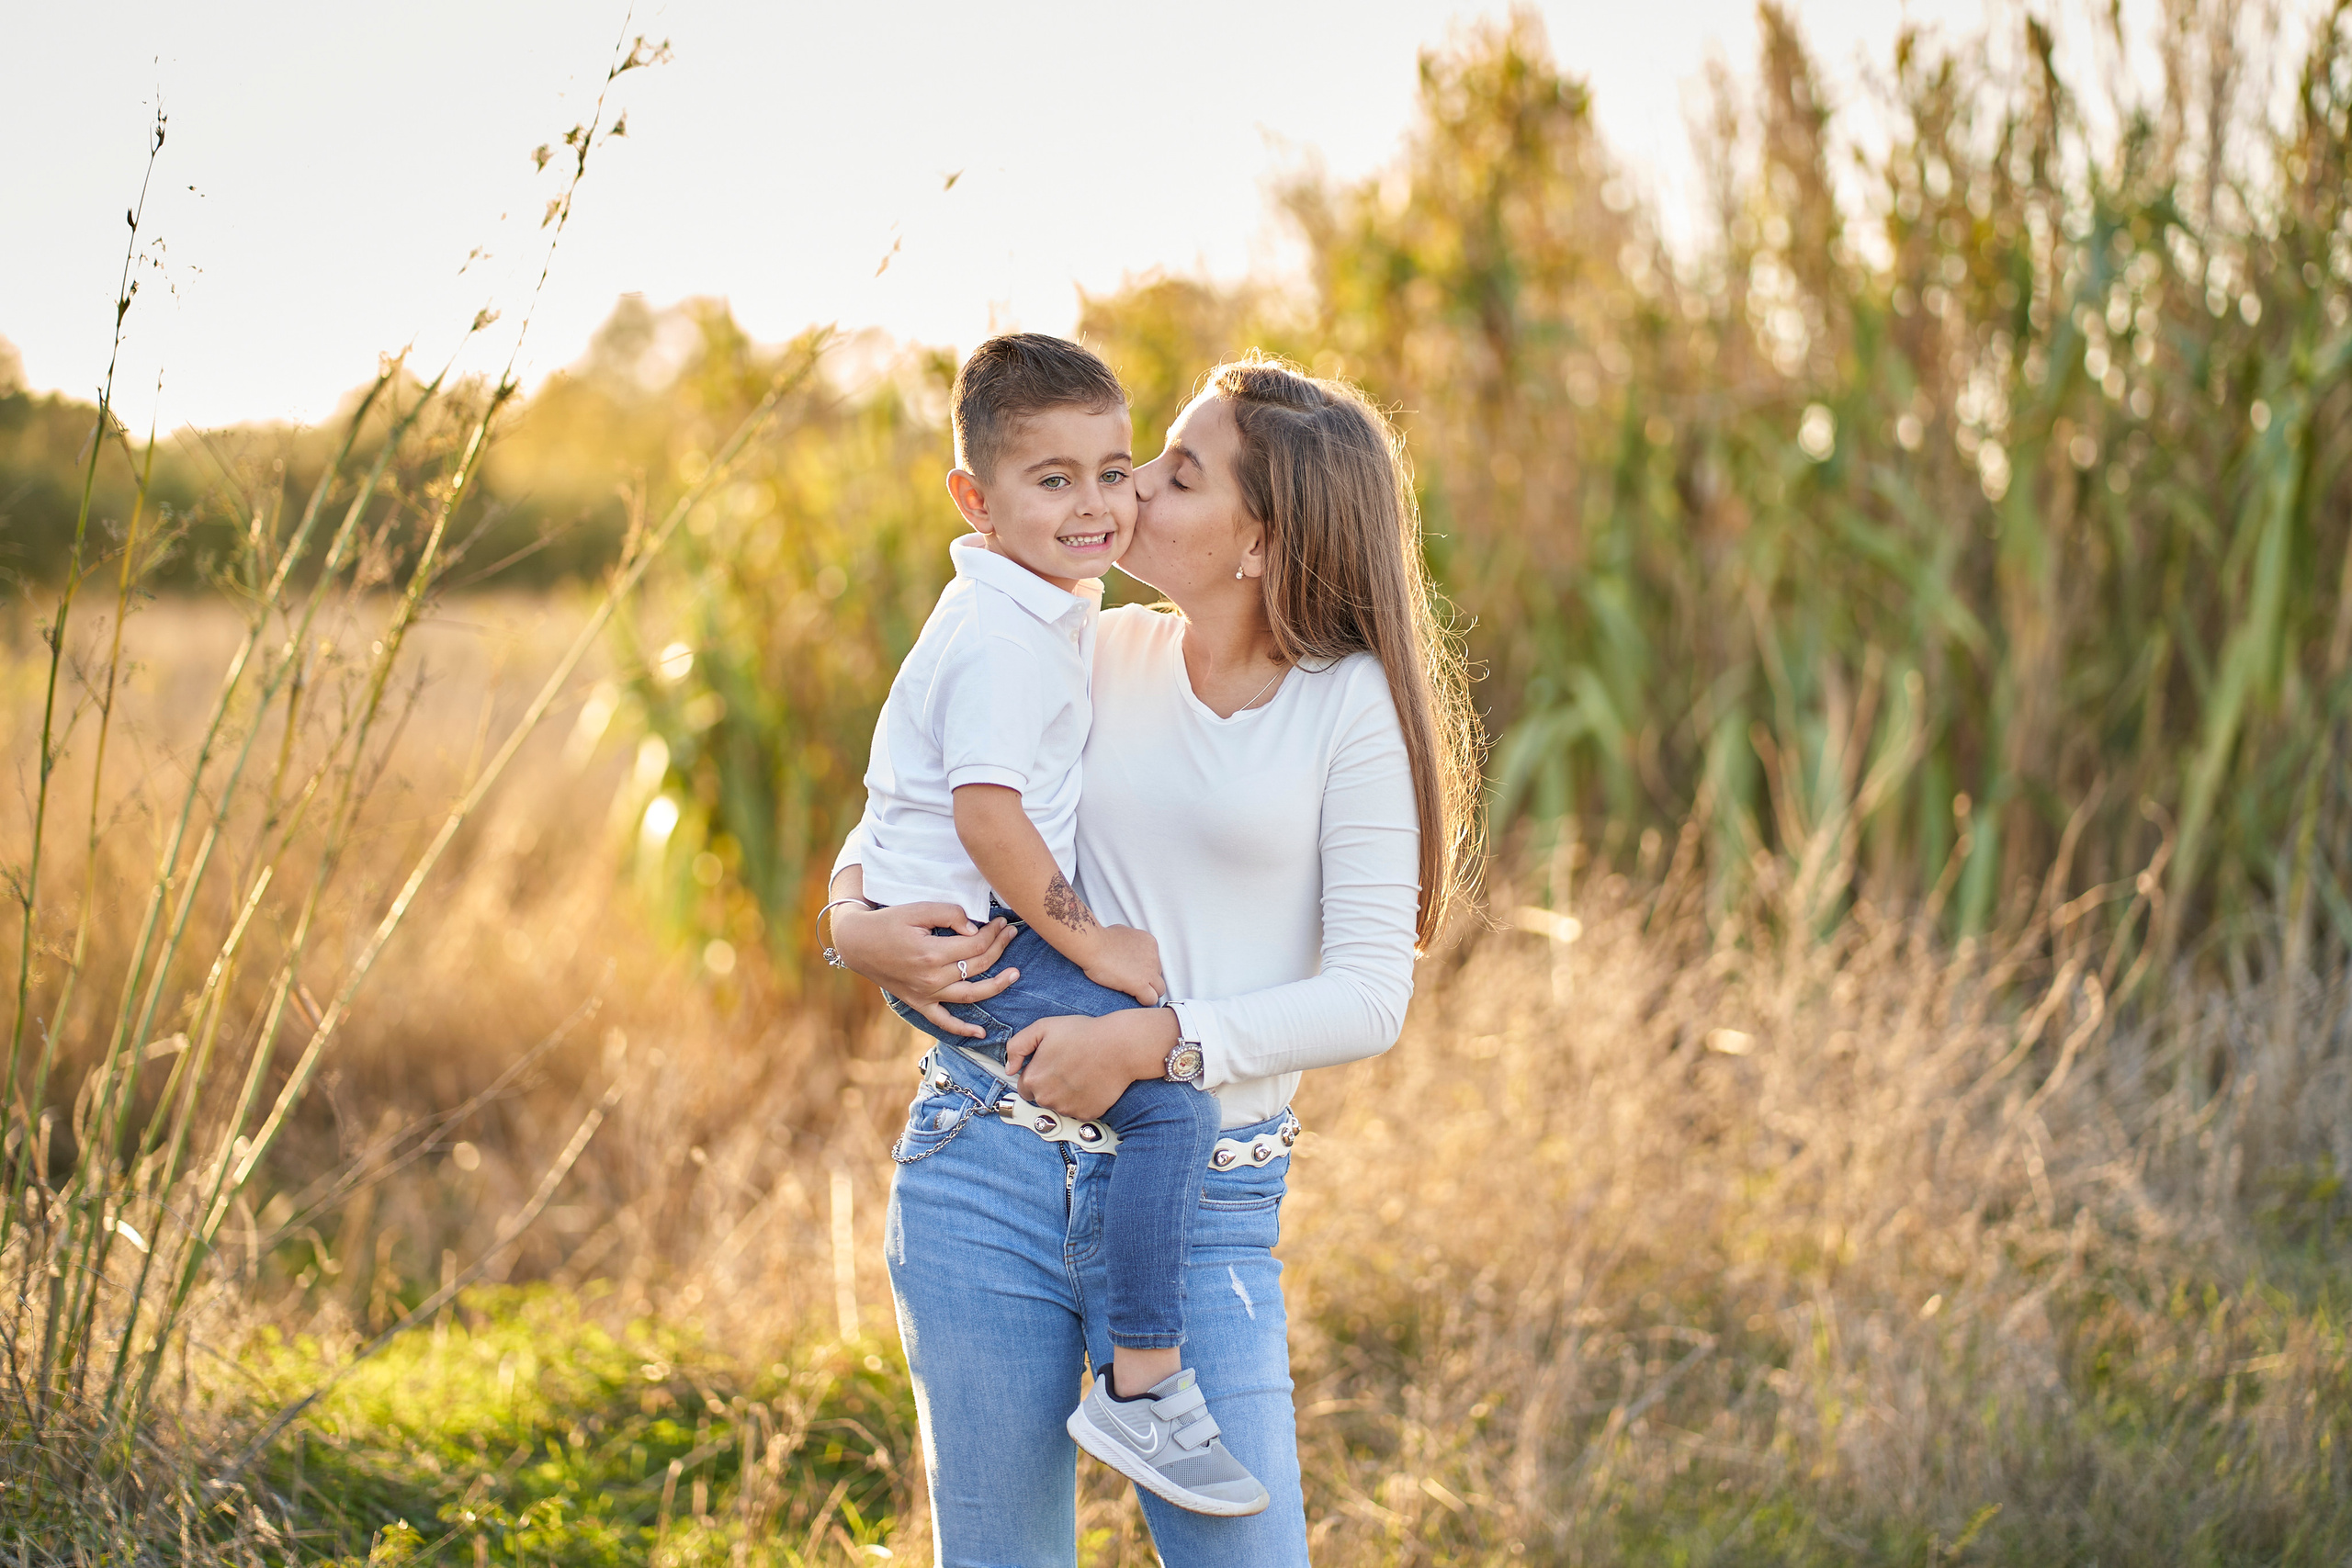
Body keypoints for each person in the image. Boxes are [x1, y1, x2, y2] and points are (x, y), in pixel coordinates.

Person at [823, 353, 1479, 1566]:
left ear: (1261, 544)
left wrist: (1161, 1042)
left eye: (1170, 475)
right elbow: (923, 793)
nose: (1123, 499)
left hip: (1203, 1198)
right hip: (986, 1170)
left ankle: (1147, 1386)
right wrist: (852, 920)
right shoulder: (1083, 641)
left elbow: (1369, 996)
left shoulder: (1349, 711)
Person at [824, 332, 1270, 1516]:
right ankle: (1144, 1380)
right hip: (979, 942)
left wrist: (847, 911)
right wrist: (1091, 943)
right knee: (1173, 1112)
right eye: (1053, 478)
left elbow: (901, 788)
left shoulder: (1039, 612)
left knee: (1154, 1083)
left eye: (1115, 469)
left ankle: (1135, 1370)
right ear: (974, 497)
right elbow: (984, 816)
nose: (1097, 505)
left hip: (939, 926)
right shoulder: (1007, 637)